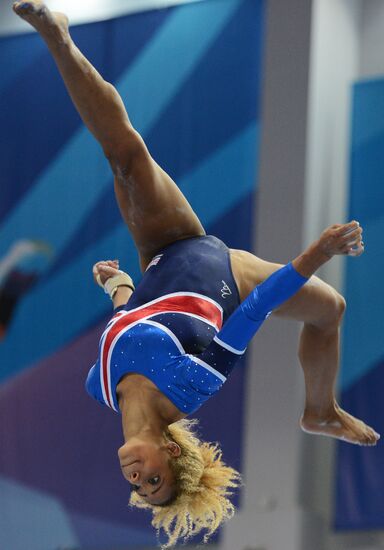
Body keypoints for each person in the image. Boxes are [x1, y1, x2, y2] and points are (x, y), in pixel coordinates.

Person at [13, 2, 380, 547]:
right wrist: (317, 252)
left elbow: (126, 318)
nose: (137, 477)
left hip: (170, 250)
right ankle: (320, 409)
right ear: (175, 452)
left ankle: (57, 39)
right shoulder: (191, 387)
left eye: (137, 485)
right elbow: (254, 311)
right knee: (331, 310)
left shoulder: (100, 386)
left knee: (124, 154)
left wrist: (114, 284)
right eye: (155, 480)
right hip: (236, 276)